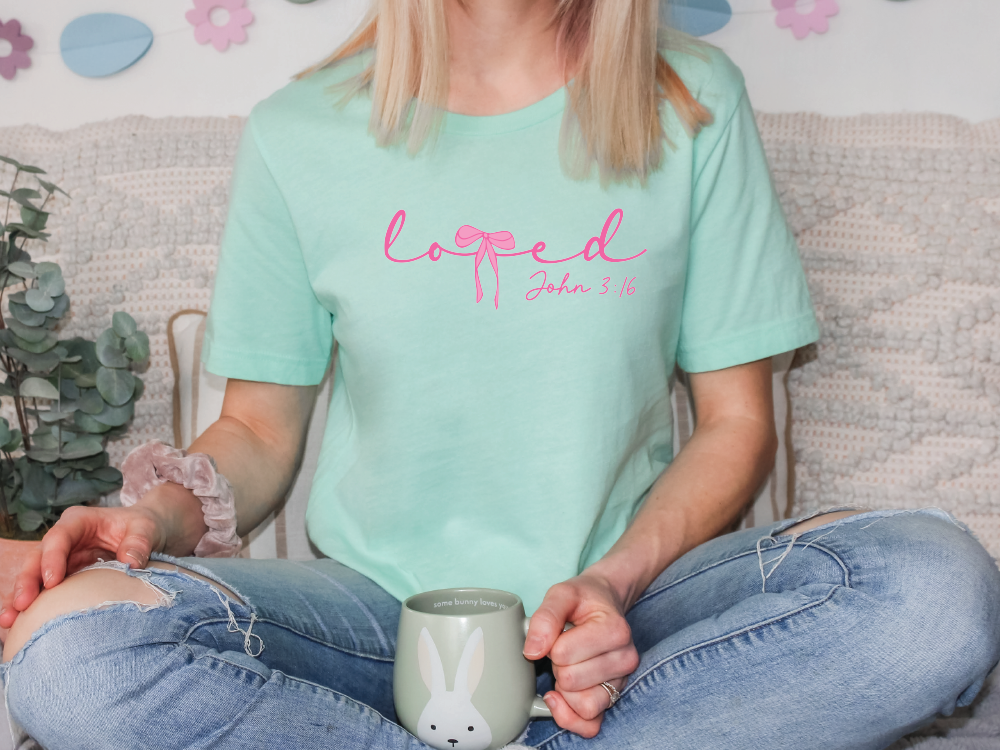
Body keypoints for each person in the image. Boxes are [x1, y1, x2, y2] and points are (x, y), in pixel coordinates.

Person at [2, 0, 999, 748]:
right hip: (377, 620)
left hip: (638, 603)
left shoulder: (691, 101)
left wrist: (607, 588)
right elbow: (260, 432)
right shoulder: (298, 132)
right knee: (68, 656)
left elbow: (734, 424)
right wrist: (155, 519)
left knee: (932, 595)